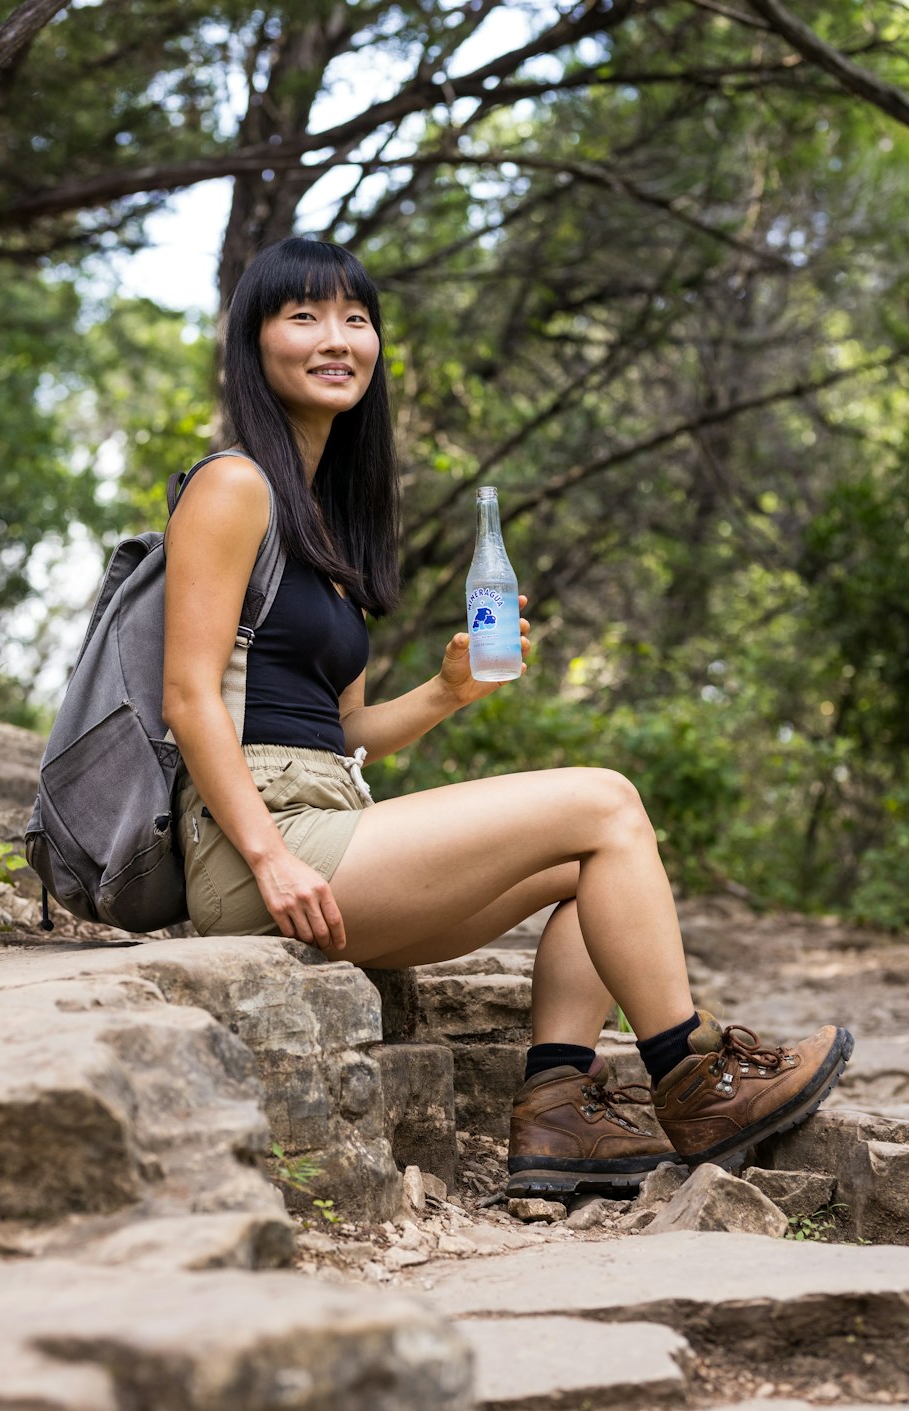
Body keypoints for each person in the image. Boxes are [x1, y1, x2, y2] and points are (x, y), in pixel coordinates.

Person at [162, 236, 853, 1193]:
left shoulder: (322, 529)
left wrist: (448, 692)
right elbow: (189, 695)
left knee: (596, 867)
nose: (338, 338)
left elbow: (343, 734)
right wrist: (271, 855)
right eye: (305, 316)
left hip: (327, 821)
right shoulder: (232, 484)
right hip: (258, 846)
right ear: (255, 343)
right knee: (606, 800)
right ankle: (699, 1086)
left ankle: (558, 1116)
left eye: (356, 319)